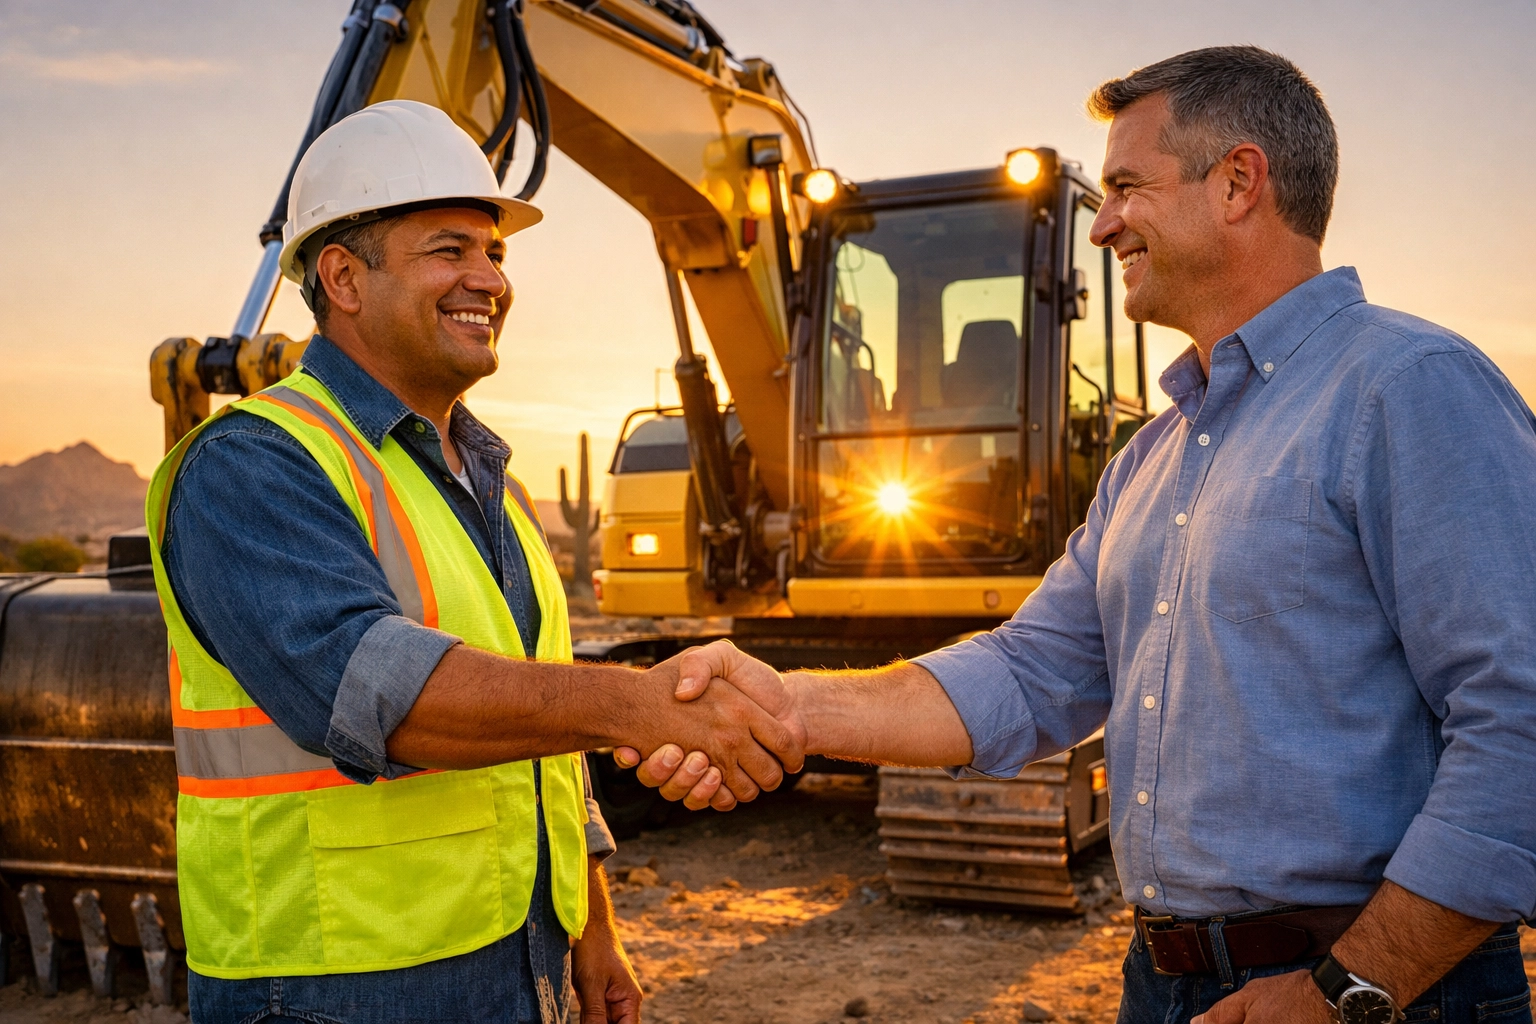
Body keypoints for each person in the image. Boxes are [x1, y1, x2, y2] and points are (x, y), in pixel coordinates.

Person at [627, 46, 1536, 1024]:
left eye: (1126, 188)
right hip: (1168, 980)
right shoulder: (1151, 460)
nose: (1103, 225)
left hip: (1374, 989)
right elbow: (1027, 673)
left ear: (1237, 182)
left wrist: (1351, 987)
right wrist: (790, 702)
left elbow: (1518, 719)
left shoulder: (1409, 390)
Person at [145, 100, 799, 1024]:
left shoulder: (489, 484)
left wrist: (590, 925)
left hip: (513, 959)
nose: (489, 279)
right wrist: (640, 703)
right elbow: (374, 692)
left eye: (497, 254)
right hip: (332, 986)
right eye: (450, 249)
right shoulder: (253, 465)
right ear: (342, 276)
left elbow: (541, 741)